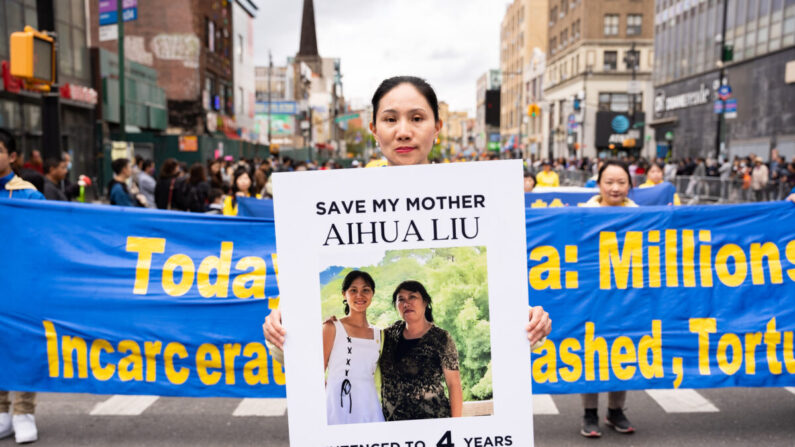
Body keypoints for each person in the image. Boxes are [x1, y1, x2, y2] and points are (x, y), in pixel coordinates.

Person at [263, 76, 551, 363]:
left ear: (437, 127)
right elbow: (289, 350)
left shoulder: (475, 198)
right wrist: (280, 327)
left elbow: (505, 310)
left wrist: (531, 322)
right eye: (390, 119)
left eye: (417, 118)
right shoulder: (333, 203)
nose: (403, 132)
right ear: (374, 130)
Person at [579, 160, 636, 437]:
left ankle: (616, 411)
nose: (615, 187)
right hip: (591, 298)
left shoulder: (643, 215)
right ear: (599, 184)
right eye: (609, 182)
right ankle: (589, 414)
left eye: (621, 182)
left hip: (626, 299)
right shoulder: (581, 215)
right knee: (591, 352)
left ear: (630, 185)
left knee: (622, 350)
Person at [0, 129, 42, 444]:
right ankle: (2, 412)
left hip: (21, 284)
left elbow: (45, 237)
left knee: (23, 345)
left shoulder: (28, 194)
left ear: (12, 156)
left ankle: (24, 411)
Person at [379, 280, 462, 421]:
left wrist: (455, 426)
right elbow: (361, 337)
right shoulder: (387, 336)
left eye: (412, 297)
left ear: (425, 302)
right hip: (393, 425)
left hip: (433, 422)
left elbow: (454, 385)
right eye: (401, 300)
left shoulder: (441, 338)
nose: (406, 303)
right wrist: (335, 324)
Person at [324, 271, 385, 424]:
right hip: (337, 407)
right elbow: (316, 371)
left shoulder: (380, 334)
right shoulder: (332, 327)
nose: (360, 295)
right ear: (344, 294)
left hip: (370, 406)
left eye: (365, 290)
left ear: (372, 294)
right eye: (353, 290)